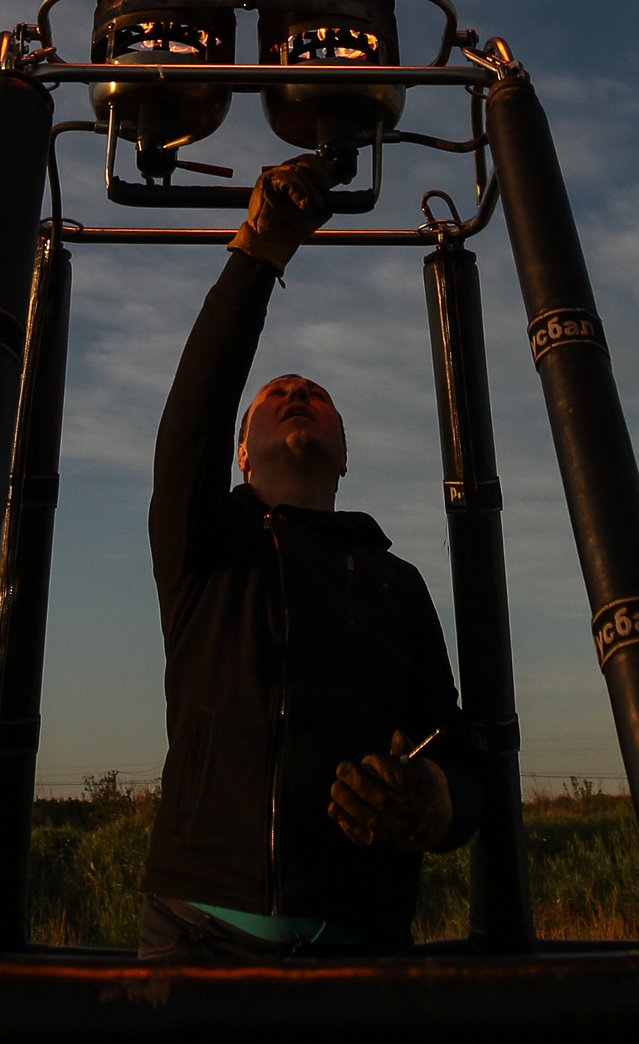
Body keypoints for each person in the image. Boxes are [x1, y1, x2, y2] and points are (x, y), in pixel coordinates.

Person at [139, 154, 482, 958]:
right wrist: (258, 254)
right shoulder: (207, 550)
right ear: (242, 458)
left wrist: (434, 804)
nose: (297, 393)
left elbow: (454, 748)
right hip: (199, 934)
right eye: (275, 394)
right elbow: (190, 417)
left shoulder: (395, 582)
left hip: (359, 943)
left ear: (345, 455)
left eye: (316, 394)